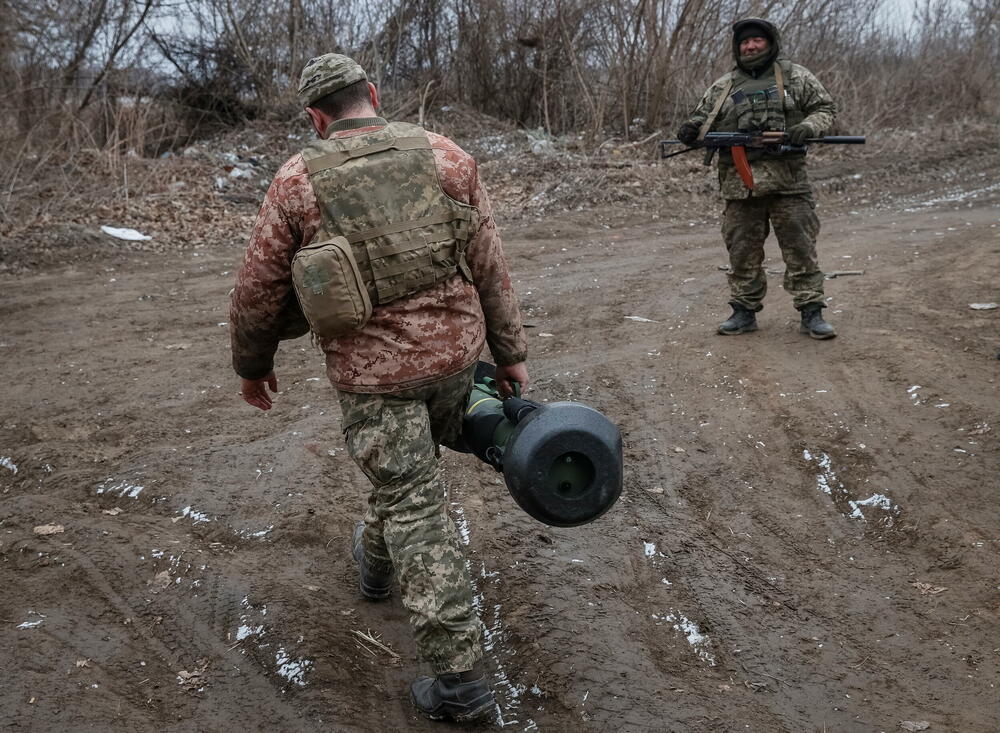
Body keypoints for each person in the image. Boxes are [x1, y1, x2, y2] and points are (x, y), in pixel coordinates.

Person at [229, 53, 528, 723]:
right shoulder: (448, 157)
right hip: (455, 361)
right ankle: (373, 562)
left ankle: (458, 681)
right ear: (372, 92)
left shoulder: (297, 180)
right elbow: (490, 262)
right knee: (404, 480)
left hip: (374, 379)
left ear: (316, 117)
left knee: (413, 500)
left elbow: (257, 288)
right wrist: (510, 355)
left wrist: (252, 364)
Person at [676, 18, 838, 339]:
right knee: (741, 251)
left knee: (800, 248)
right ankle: (743, 311)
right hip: (739, 185)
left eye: (756, 41)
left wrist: (807, 127)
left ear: (770, 43)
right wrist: (691, 128)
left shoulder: (794, 76)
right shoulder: (724, 86)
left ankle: (812, 311)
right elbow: (702, 117)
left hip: (788, 183)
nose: (749, 47)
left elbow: (825, 109)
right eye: (744, 42)